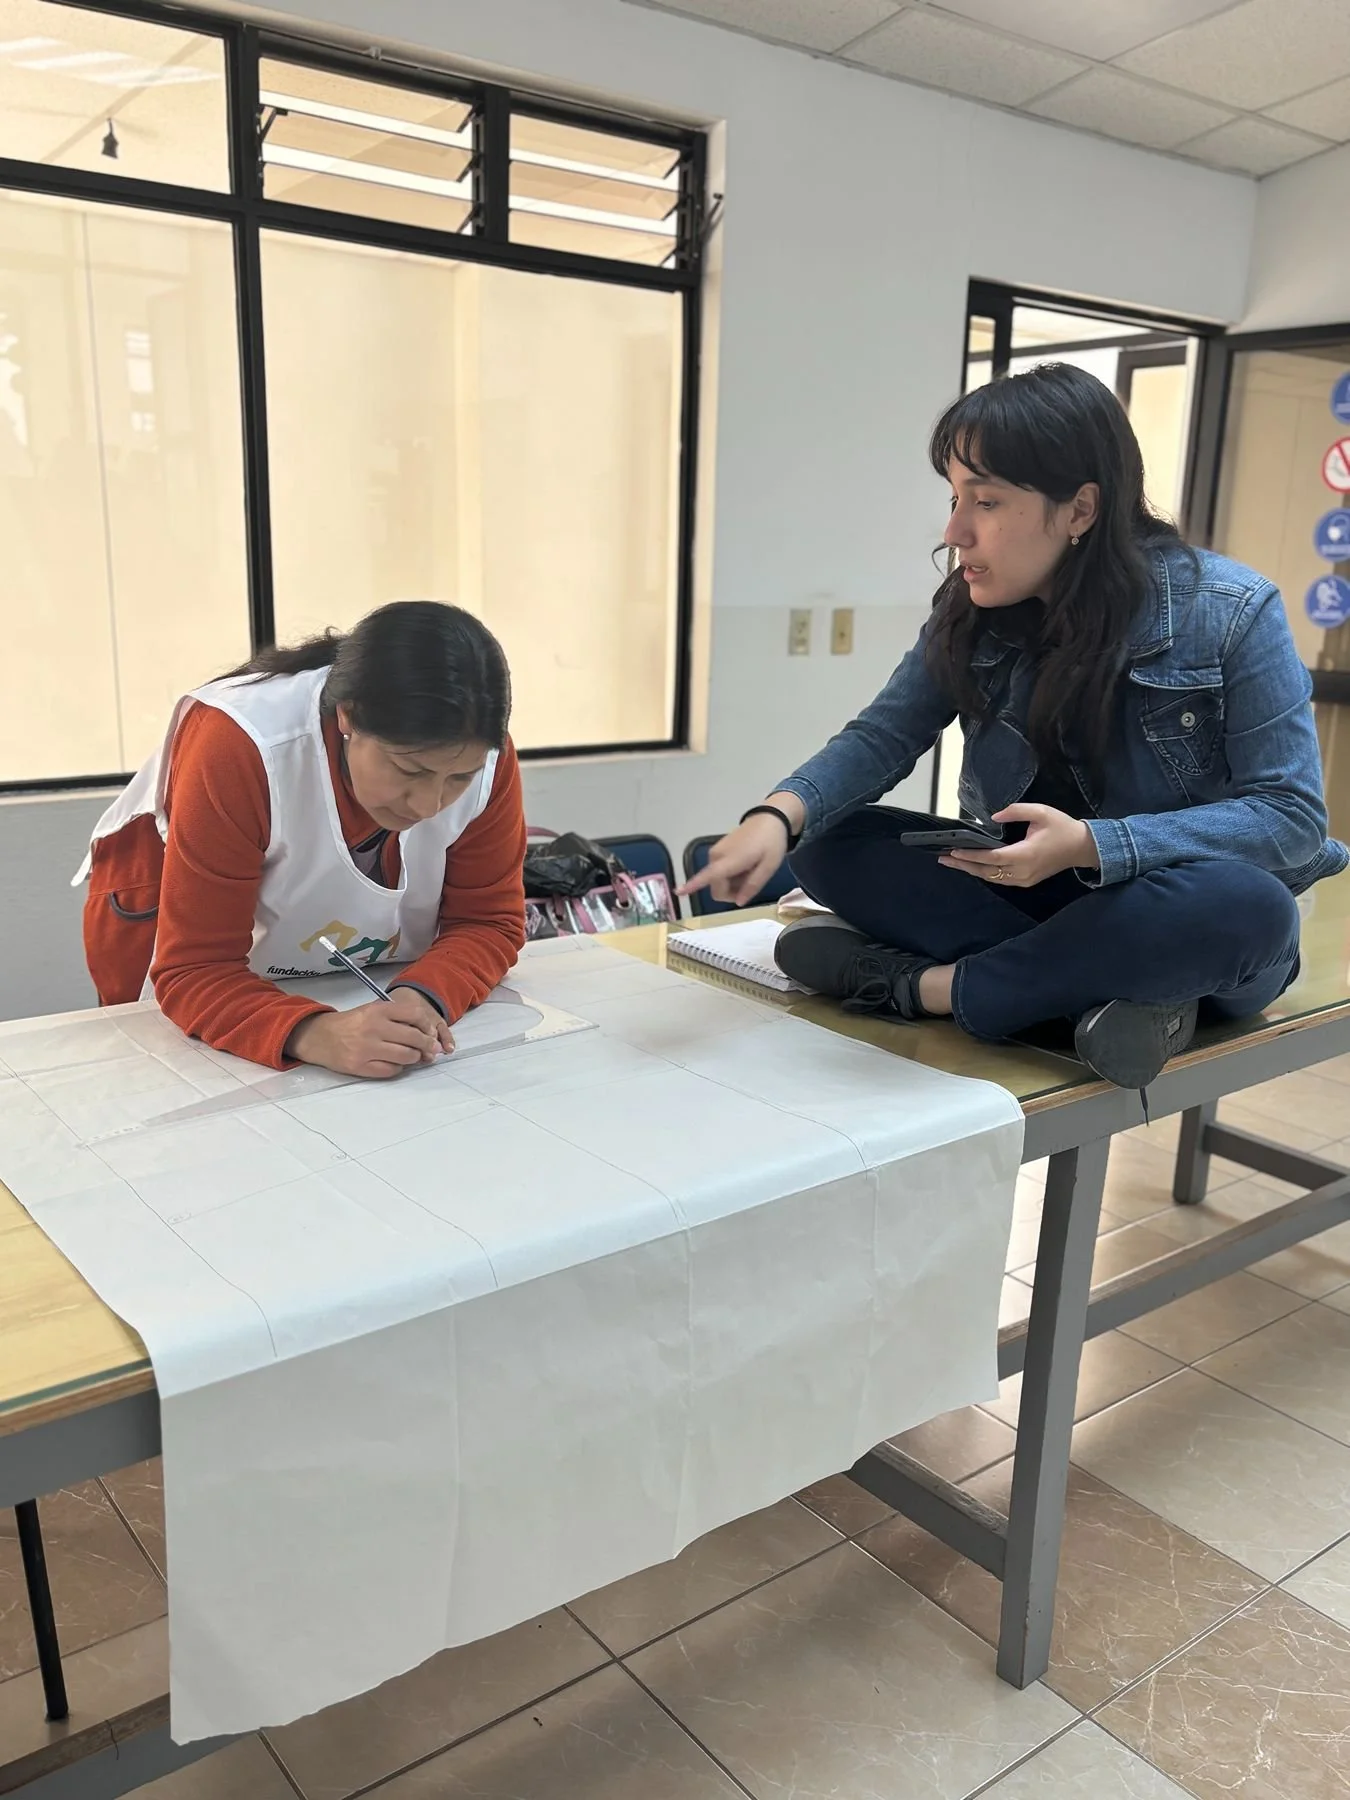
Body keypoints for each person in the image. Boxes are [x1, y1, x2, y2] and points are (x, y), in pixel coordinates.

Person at [683, 363, 1348, 1091]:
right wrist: (778, 815)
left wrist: (1095, 845)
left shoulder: (1229, 610)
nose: (955, 530)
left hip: (1181, 909)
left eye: (987, 501)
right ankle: (1105, 997)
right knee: (830, 840)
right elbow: (885, 734)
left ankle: (931, 989)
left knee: (1249, 910)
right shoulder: (971, 608)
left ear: (1080, 510)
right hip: (1041, 897)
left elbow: (1291, 822)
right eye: (954, 497)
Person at [78, 601, 527, 1081]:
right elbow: (195, 969)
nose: (428, 805)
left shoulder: (479, 753)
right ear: (348, 718)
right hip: (160, 908)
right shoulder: (242, 744)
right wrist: (316, 1034)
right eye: (408, 770)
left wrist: (420, 998)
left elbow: (489, 921)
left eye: (459, 778)